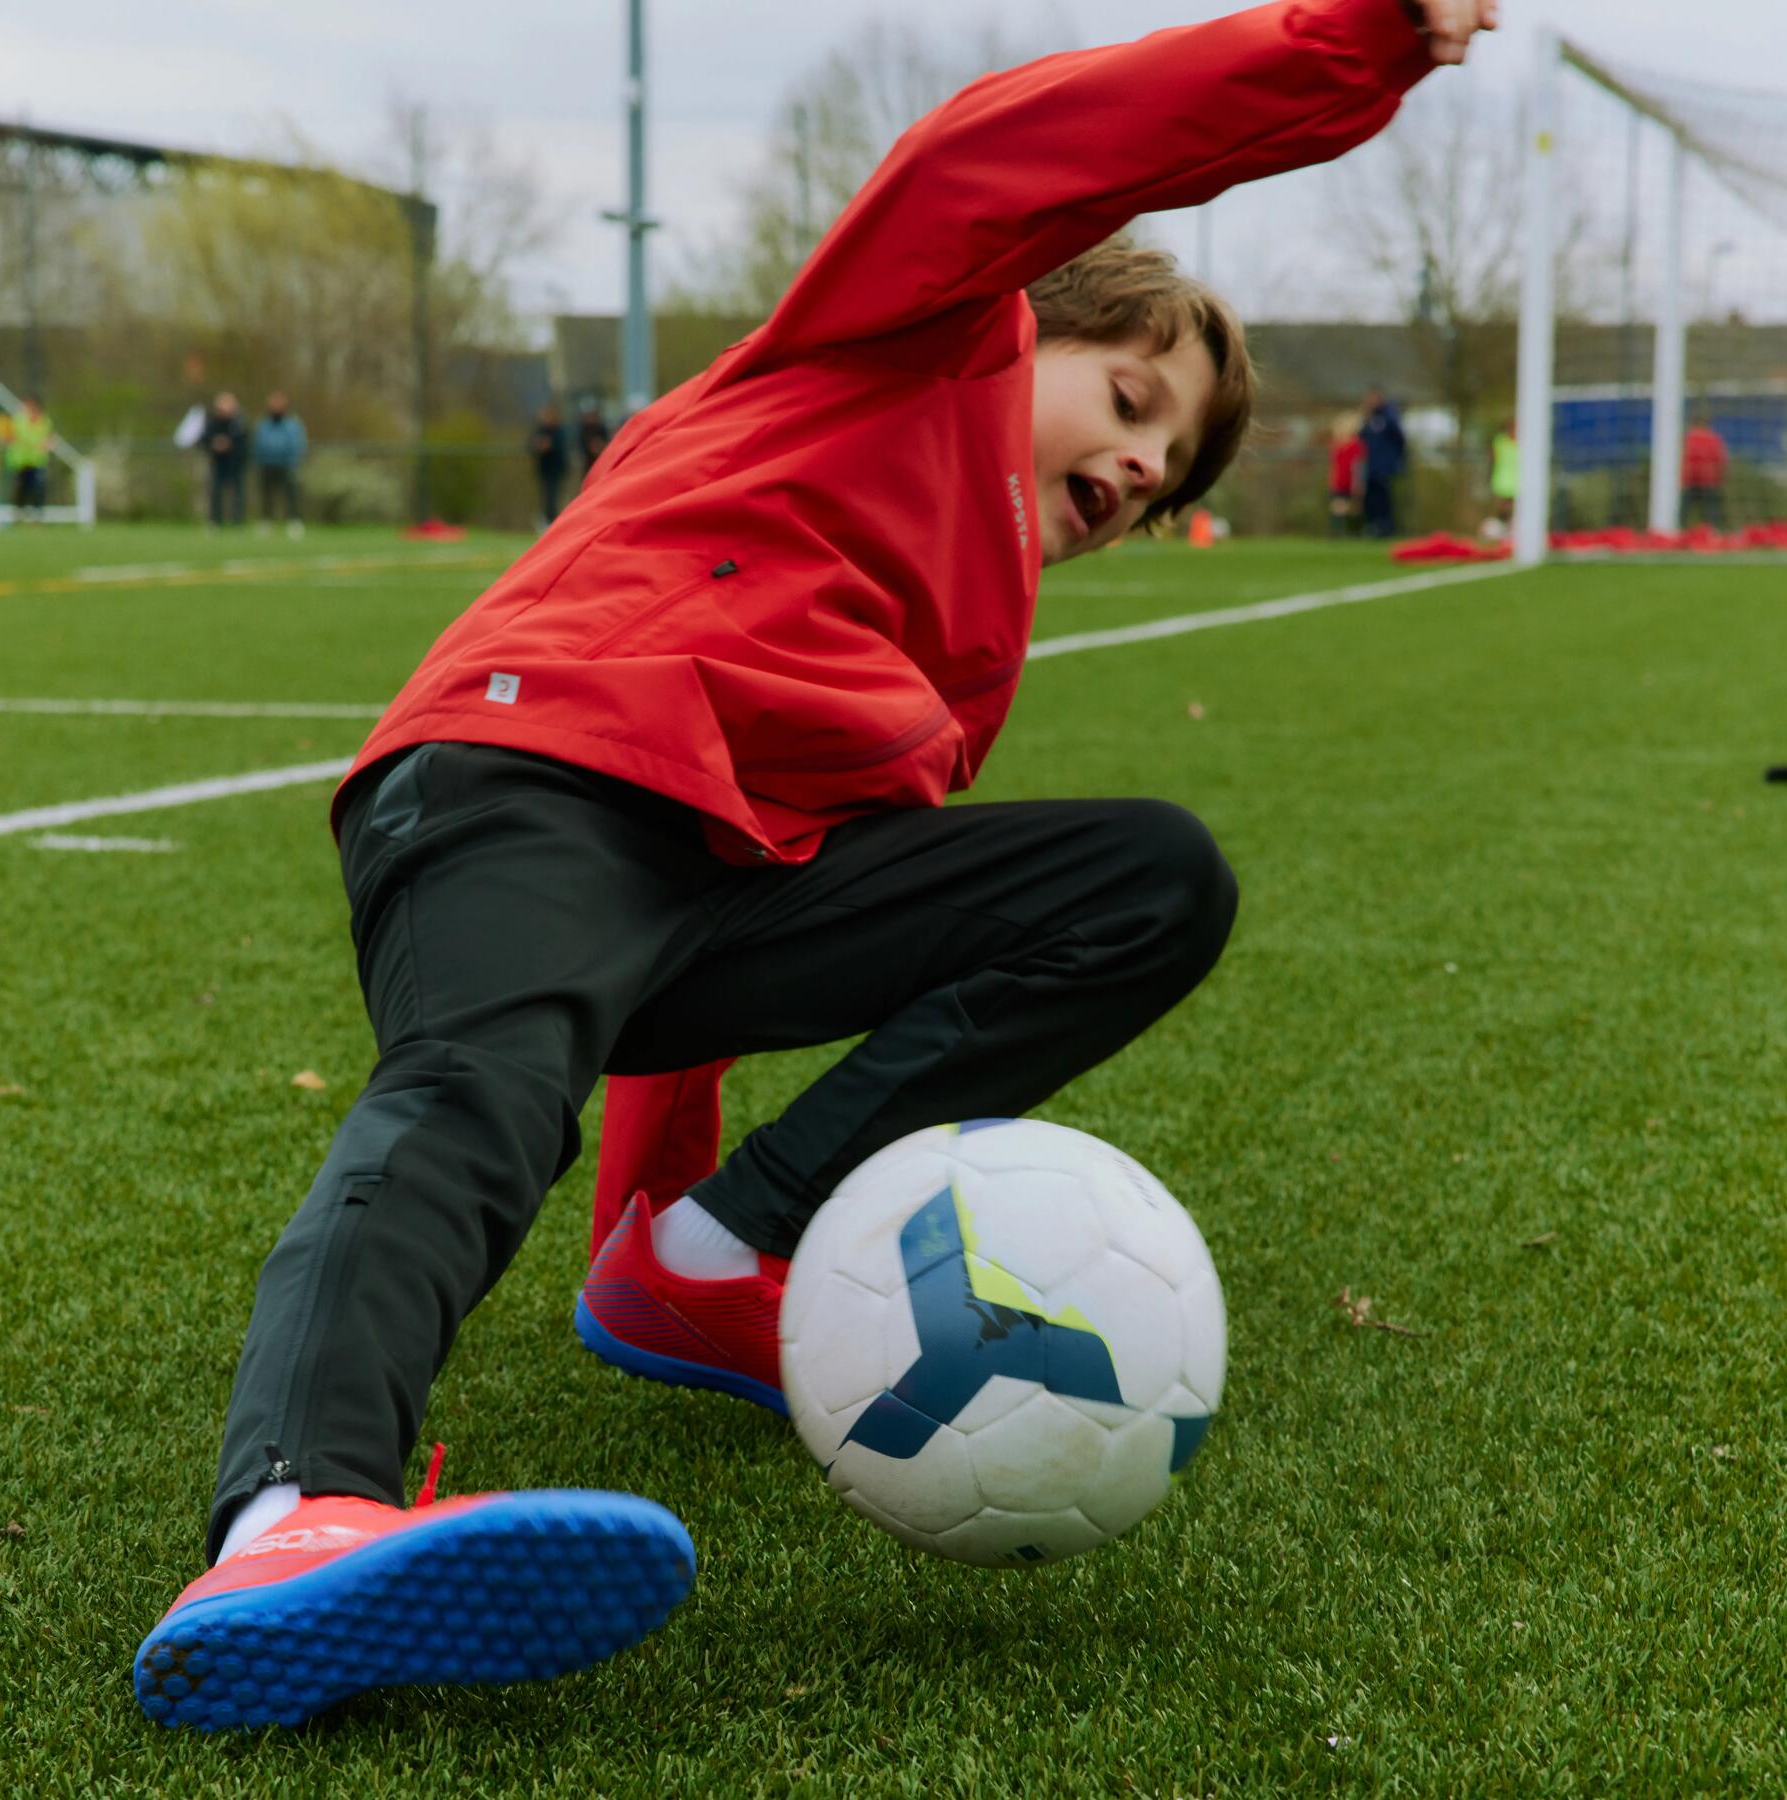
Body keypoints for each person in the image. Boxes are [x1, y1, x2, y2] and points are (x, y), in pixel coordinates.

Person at [132, 0, 1494, 1734]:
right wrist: (1354, 43)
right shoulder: (916, 328)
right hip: (524, 772)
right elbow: (1000, 156)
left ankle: (720, 1253)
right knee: (478, 1090)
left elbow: (772, 857)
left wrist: (657, 1229)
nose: (1147, 461)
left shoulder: (971, 649)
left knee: (1150, 876)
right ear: (1035, 318)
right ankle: (284, 1518)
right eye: (1135, 397)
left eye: (1172, 470)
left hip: (700, 898)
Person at [253, 391, 308, 538]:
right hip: (267, 464)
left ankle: (294, 521)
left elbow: (297, 443)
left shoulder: (292, 424)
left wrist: (293, 460)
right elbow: (258, 443)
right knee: (267, 495)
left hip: (286, 464)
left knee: (291, 495)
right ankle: (266, 522)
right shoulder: (263, 424)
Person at [1358, 386, 1408, 537]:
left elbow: (1399, 438)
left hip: (1384, 466)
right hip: (1370, 466)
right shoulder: (1369, 418)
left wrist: (1396, 460)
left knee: (1384, 497)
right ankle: (1374, 526)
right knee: (1371, 497)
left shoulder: (1389, 415)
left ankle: (1387, 527)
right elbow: (1361, 437)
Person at [5, 394, 55, 522]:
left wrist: (46, 445)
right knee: (21, 489)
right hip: (20, 461)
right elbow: (10, 436)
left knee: (38, 487)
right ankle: (18, 514)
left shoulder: (45, 421)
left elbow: (49, 438)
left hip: (37, 461)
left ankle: (38, 516)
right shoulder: (19, 420)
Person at [202, 391, 249, 528]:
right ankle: (215, 521)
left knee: (238, 492)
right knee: (215, 491)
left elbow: (244, 442)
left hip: (235, 463)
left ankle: (237, 521)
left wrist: (230, 445)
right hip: (218, 463)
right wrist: (214, 444)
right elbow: (205, 439)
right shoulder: (211, 422)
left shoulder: (239, 423)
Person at [1681, 412, 1728, 529]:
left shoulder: (1688, 438)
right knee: (1711, 509)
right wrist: (1720, 477)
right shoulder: (1713, 438)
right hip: (1708, 478)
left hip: (1691, 478)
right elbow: (1720, 459)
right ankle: (1712, 531)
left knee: (1685, 508)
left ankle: (1680, 529)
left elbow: (1683, 458)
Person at [529, 401, 569, 525]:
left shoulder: (560, 431)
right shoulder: (540, 430)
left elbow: (561, 446)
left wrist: (550, 446)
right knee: (546, 497)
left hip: (556, 469)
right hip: (544, 469)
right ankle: (547, 521)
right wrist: (538, 445)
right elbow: (529, 445)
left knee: (554, 498)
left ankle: (554, 522)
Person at [1327, 413, 1365, 536]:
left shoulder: (1356, 445)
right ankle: (1337, 533)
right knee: (1338, 507)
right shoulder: (1336, 445)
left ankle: (1355, 532)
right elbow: (1335, 465)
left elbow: (1357, 465)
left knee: (1354, 508)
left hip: (1352, 481)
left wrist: (1357, 482)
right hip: (1339, 481)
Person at [1483, 416, 1518, 539]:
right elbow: (1492, 458)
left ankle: (1513, 528)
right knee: (1502, 505)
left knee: (1516, 505)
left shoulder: (1526, 441)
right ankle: (1503, 530)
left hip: (1518, 479)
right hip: (1502, 478)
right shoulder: (1500, 441)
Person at [578, 405, 611, 481]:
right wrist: (589, 448)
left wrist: (600, 446)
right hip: (588, 461)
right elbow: (581, 445)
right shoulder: (583, 429)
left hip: (600, 460)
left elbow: (607, 442)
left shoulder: (601, 428)